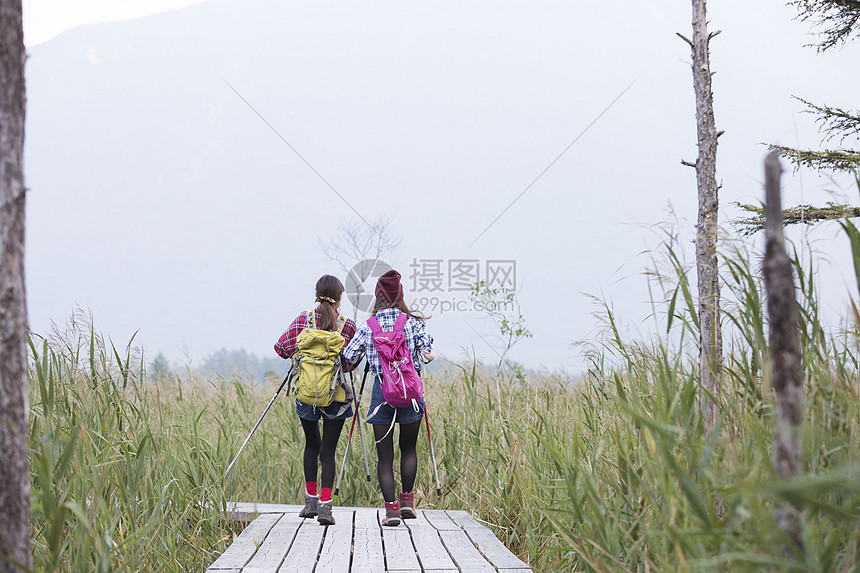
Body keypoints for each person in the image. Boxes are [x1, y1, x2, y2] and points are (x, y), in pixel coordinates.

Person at [343, 269, 434, 526]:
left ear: (378, 298)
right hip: (410, 394)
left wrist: (367, 354)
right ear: (400, 296)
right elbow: (428, 354)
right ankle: (408, 502)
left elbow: (348, 357)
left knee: (384, 456)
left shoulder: (367, 327)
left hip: (381, 394)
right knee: (408, 448)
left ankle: (391, 510)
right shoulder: (413, 323)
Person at [275, 274, 357, 526]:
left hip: (306, 394)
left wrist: (301, 355)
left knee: (311, 445)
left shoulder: (303, 320)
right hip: (337, 395)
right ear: (340, 298)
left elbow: (281, 348)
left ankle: (310, 502)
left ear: (316, 293)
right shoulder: (348, 325)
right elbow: (351, 362)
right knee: (328, 451)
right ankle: (325, 507)